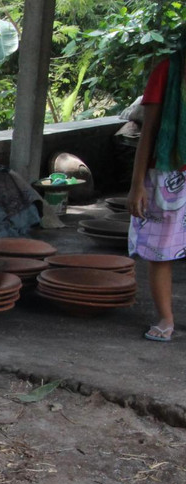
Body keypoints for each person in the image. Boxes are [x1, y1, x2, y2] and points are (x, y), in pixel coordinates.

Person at [127, 49, 185, 342]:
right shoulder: (167, 70)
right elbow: (148, 132)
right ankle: (166, 317)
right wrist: (137, 185)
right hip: (166, 171)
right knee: (161, 250)